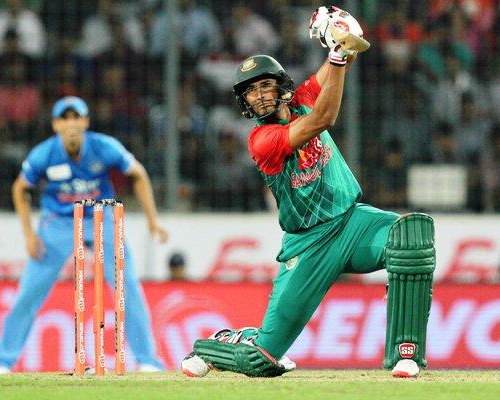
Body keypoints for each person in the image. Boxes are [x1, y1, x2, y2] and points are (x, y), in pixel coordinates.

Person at [183, 6, 436, 379]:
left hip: (353, 222)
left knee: (412, 238)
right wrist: (336, 54)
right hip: (309, 243)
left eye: (266, 84)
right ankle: (221, 342)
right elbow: (323, 119)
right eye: (251, 92)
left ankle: (405, 354)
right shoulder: (262, 141)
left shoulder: (300, 95)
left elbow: (340, 62)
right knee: (262, 360)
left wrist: (342, 34)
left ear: (281, 85)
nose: (261, 96)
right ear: (244, 103)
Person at [0, 96, 168, 373]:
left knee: (126, 286)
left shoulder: (103, 146)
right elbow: (20, 188)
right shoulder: (44, 153)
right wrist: (28, 234)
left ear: (85, 121)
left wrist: (153, 221)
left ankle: (147, 360)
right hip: (59, 221)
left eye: (76, 117)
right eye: (65, 118)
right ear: (56, 124)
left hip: (101, 216)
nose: (71, 124)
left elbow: (138, 174)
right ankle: (2, 362)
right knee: (28, 293)